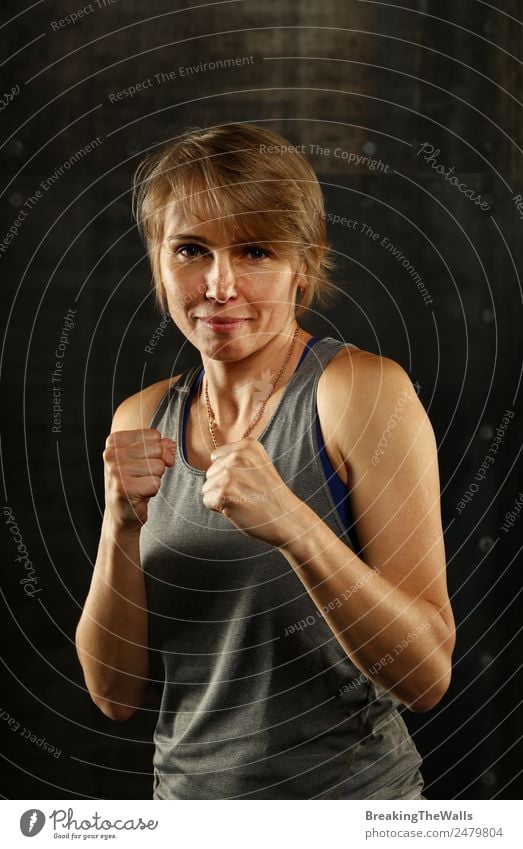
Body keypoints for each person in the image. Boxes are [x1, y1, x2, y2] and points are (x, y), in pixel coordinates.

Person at [75, 122, 456, 800]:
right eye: (191, 249)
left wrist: (293, 520)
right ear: (157, 260)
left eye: (253, 250)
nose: (218, 286)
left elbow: (424, 675)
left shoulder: (356, 393)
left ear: (303, 264)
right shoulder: (142, 418)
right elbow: (113, 694)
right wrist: (119, 524)